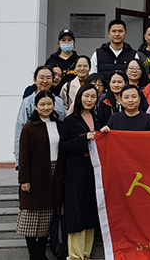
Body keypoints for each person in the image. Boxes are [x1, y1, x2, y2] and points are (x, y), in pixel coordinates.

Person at [16, 91, 64, 260]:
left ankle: (42, 253)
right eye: (42, 104)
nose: (46, 107)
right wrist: (24, 179)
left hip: (55, 172)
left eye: (49, 104)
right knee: (31, 214)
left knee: (46, 215)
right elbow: (24, 156)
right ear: (36, 106)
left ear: (54, 105)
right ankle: (33, 253)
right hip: (36, 173)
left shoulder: (59, 125)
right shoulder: (29, 128)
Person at [59, 83, 99, 260]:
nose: (89, 100)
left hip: (94, 170)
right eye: (86, 96)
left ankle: (86, 254)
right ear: (79, 97)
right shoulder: (70, 121)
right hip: (76, 171)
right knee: (76, 211)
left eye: (93, 97)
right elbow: (63, 146)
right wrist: (84, 139)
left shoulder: (97, 119)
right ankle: (75, 255)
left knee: (90, 211)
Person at [15, 66, 66, 166]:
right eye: (41, 77)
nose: (45, 81)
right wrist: (19, 161)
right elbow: (20, 130)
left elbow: (63, 126)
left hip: (55, 153)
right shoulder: (28, 102)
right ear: (35, 80)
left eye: (48, 78)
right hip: (35, 152)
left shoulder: (59, 101)